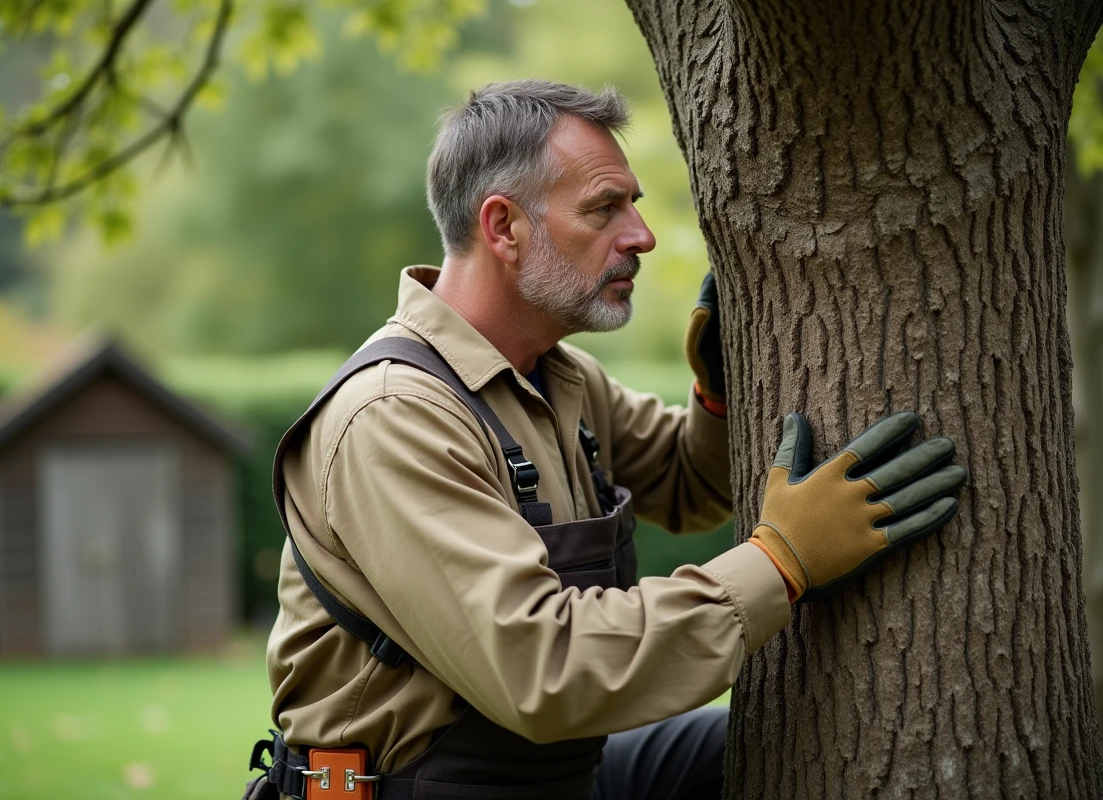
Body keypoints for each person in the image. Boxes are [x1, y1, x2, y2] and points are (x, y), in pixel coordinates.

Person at [244, 80, 967, 800]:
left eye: (635, 205)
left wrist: (717, 397)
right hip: (418, 785)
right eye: (604, 209)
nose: (642, 237)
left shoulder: (559, 377)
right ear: (503, 228)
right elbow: (544, 672)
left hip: (551, 772)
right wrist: (780, 563)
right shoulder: (392, 417)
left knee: (783, 746)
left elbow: (690, 485)